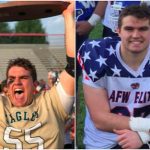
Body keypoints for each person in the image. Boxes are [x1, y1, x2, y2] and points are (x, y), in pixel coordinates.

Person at [0, 1, 75, 149]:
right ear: (7, 88)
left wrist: (68, 14)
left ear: (35, 86)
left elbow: (73, 66)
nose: (17, 83)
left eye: (23, 78)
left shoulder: (52, 103)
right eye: (11, 80)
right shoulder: (2, 106)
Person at [78, 4, 150, 149]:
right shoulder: (97, 54)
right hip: (105, 139)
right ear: (118, 31)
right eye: (129, 29)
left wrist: (143, 136)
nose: (136, 35)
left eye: (143, 29)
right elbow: (100, 119)